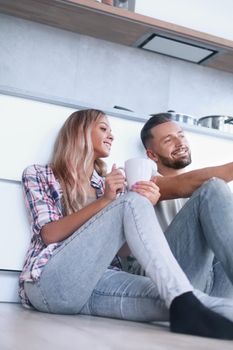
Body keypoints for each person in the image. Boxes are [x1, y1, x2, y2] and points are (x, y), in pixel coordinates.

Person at [19, 108, 233, 340]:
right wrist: (108, 201)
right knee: (134, 201)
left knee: (186, 302)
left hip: (103, 281)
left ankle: (183, 301)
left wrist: (143, 208)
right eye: (103, 129)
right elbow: (49, 234)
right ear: (78, 131)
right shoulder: (40, 174)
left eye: (111, 131)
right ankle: (183, 300)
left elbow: (123, 251)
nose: (111, 135)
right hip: (52, 281)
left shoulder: (106, 184)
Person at [139, 113, 233, 298]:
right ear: (152, 155)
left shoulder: (206, 196)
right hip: (162, 277)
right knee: (214, 187)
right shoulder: (146, 182)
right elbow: (183, 184)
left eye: (181, 135)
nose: (180, 142)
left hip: (208, 280)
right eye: (168, 140)